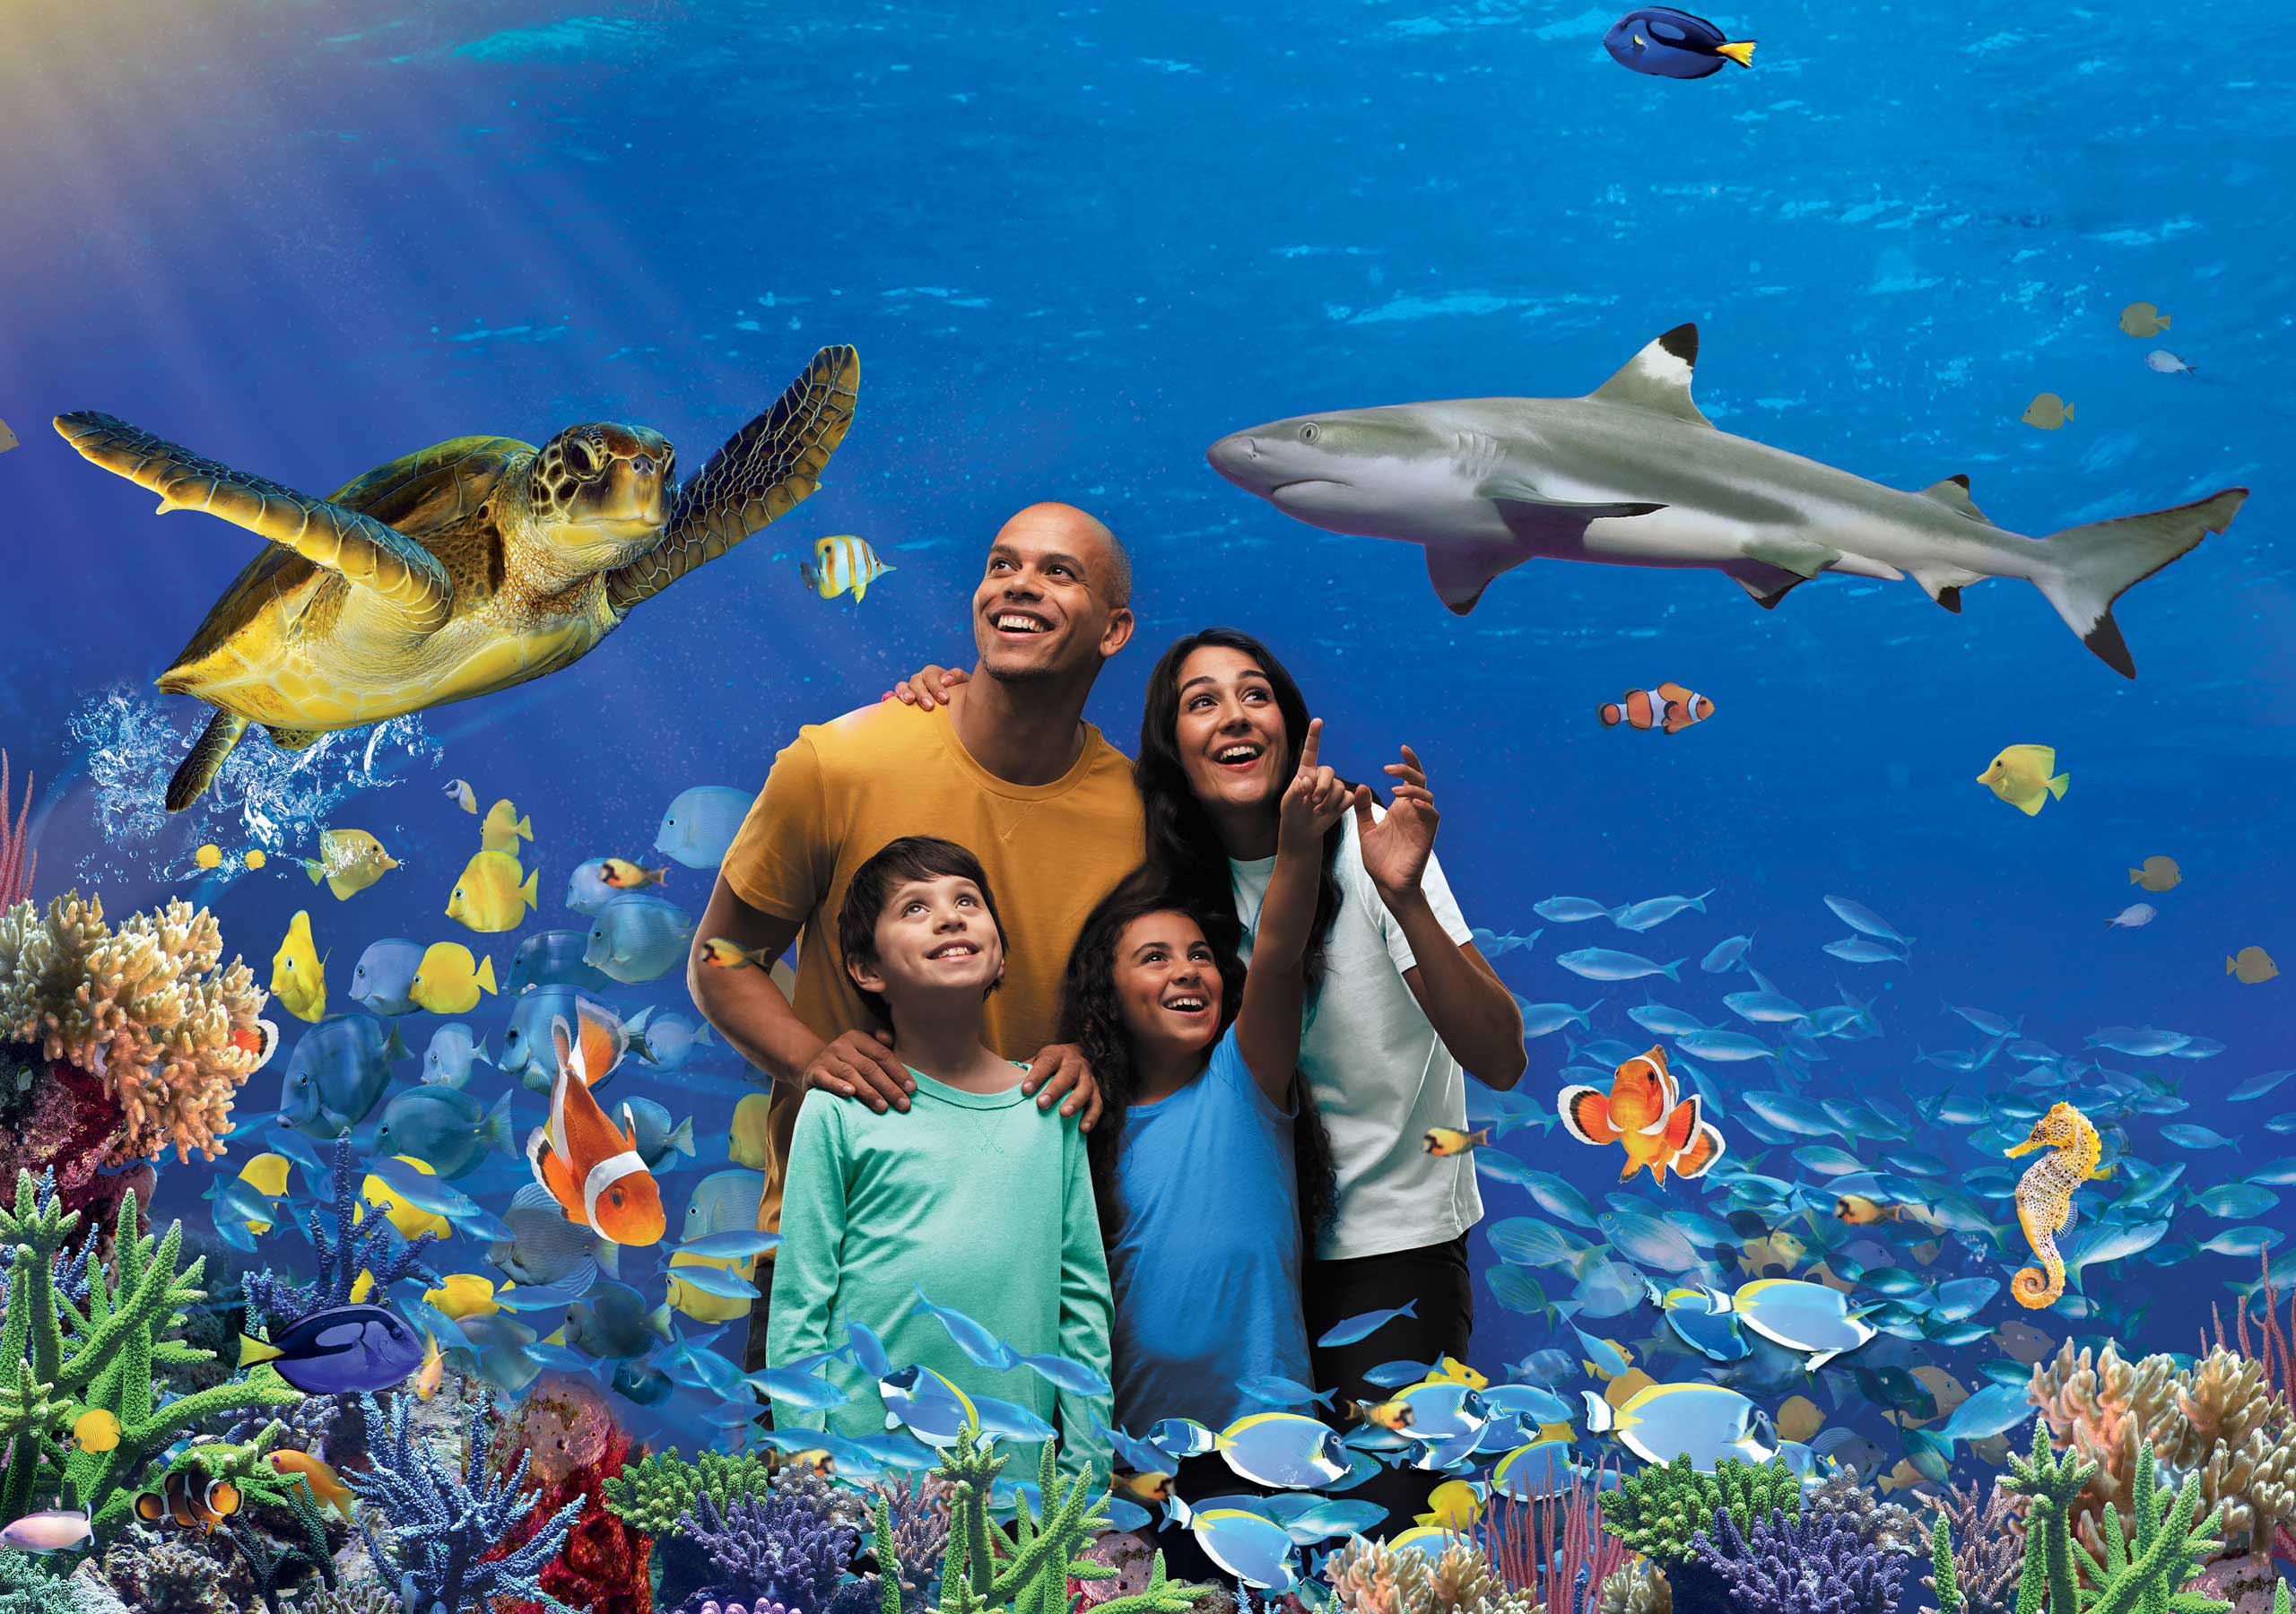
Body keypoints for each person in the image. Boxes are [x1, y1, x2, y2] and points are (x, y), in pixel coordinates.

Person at [895, 628, 1526, 1532]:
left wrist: (1405, 895)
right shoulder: (1172, 890)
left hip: (1389, 1251)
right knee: (1230, 1537)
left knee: (1384, 1539)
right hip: (1257, 1262)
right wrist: (946, 695)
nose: (1232, 715)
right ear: (1171, 747)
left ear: (1291, 721)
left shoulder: (1365, 843)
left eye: (1253, 694)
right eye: (1201, 701)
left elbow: (1501, 1056)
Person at [691, 502, 1145, 1372]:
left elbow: (1157, 1027)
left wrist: (1101, 1061)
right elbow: (721, 957)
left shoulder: (1139, 822)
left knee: (1034, 1516)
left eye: (1059, 572)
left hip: (1034, 1270)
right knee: (797, 1514)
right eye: (1002, 562)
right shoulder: (841, 763)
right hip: (833, 1257)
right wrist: (808, 1058)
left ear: (1114, 629)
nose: (1019, 583)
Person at [1055, 719, 1350, 1579]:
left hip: (1273, 1452)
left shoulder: (1245, 1083)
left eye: (1200, 955)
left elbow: (1286, 951)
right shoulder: (1078, 1127)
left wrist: (1298, 850)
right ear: (1106, 994)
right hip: (1132, 1467)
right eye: (1154, 957)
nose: (1188, 970)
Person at [768, 836, 1112, 1480]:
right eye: (914, 908)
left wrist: (1086, 1472)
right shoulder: (839, 1109)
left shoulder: (1050, 1108)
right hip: (860, 1483)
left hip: (1019, 1490)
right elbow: (800, 1302)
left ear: (1002, 956)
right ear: (867, 971)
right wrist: (805, 1465)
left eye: (967, 901)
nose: (950, 916)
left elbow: (1083, 1301)